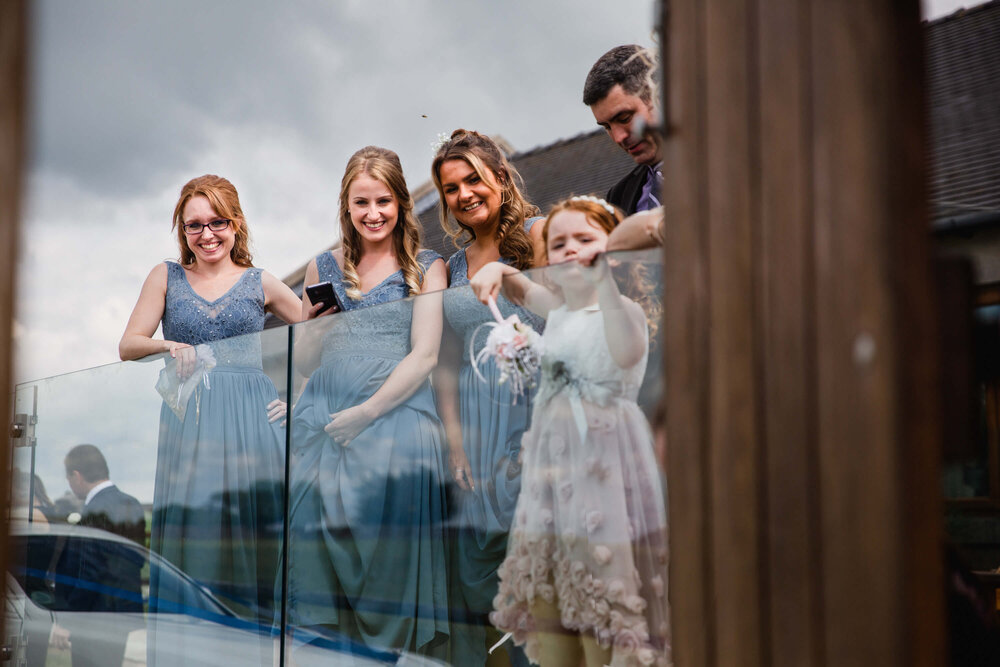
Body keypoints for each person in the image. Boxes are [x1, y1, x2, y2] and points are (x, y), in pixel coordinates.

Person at [473, 197, 670, 667]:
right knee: (551, 608)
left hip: (604, 473)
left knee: (603, 600)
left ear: (612, 250)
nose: (570, 251)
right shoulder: (558, 314)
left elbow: (624, 352)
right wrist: (498, 271)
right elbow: (521, 293)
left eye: (585, 240)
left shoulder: (624, 310)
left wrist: (603, 279)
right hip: (553, 478)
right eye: (558, 244)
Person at [118, 175, 301, 656]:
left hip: (254, 428)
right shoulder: (166, 276)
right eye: (194, 225)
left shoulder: (260, 280)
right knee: (196, 545)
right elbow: (128, 344)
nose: (207, 234)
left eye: (217, 221)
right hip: (192, 427)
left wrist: (301, 398)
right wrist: (168, 343)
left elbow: (325, 334)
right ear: (183, 230)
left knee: (254, 544)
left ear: (236, 224)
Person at [285, 146, 449, 656]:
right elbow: (306, 361)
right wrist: (311, 328)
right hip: (325, 428)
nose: (373, 213)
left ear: (401, 202)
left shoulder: (428, 267)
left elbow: (424, 356)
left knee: (389, 572)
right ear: (346, 206)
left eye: (383, 201)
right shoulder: (321, 265)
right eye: (361, 203)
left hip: (394, 425)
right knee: (313, 569)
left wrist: (368, 412)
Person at [430, 128, 544, 666]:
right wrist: (455, 443)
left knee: (537, 571)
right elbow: (445, 363)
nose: (464, 194)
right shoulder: (450, 269)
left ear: (500, 177)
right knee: (480, 582)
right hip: (475, 430)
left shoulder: (540, 236)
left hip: (533, 417)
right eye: (451, 188)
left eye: (473, 179)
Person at [54, 444, 146, 667]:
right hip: (121, 613)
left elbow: (89, 571)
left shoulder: (95, 510)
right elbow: (137, 558)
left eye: (68, 479)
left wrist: (68, 619)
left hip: (92, 617)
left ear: (76, 476)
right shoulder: (131, 503)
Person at [583, 44, 662, 216]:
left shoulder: (723, 161)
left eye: (624, 118)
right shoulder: (617, 197)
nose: (618, 138)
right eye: (607, 127)